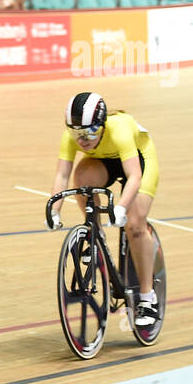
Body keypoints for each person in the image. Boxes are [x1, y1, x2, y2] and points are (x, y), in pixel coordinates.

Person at [48, 91, 161, 326]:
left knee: (134, 224)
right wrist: (54, 209)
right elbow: (62, 175)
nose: (83, 140)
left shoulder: (118, 130)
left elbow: (134, 176)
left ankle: (148, 298)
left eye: (90, 132)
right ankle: (95, 235)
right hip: (106, 160)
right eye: (76, 133)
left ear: (102, 124)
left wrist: (120, 207)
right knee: (82, 180)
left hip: (138, 160)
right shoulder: (74, 136)